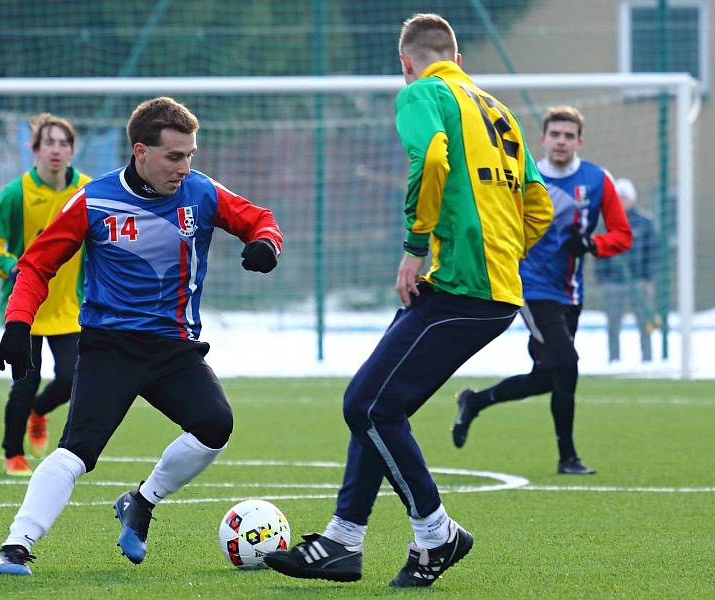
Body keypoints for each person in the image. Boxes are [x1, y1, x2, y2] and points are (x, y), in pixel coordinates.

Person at [264, 13, 553, 588]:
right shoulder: (498, 110)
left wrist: (415, 248)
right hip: (493, 287)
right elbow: (539, 204)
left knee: (365, 406)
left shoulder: (424, 92)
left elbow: (433, 159)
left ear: (405, 62)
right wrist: (497, 249)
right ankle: (343, 540)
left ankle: (436, 532)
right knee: (377, 405)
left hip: (455, 285)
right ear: (459, 59)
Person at [0, 96, 283, 576]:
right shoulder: (93, 200)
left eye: (190, 155)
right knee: (77, 450)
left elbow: (259, 218)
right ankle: (15, 546)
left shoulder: (203, 192)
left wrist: (267, 243)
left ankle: (141, 502)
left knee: (215, 425)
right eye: (174, 156)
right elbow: (36, 264)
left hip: (175, 349)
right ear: (140, 152)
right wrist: (19, 322)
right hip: (111, 347)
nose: (184, 167)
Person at [451, 105, 633, 475]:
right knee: (567, 363)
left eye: (569, 136)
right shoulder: (521, 176)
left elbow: (622, 235)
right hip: (530, 289)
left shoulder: (598, 180)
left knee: (547, 378)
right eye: (555, 135)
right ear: (543, 139)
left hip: (571, 293)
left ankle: (475, 401)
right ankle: (568, 458)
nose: (562, 141)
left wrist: (593, 245)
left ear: (579, 141)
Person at [0, 113, 91, 477]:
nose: (56, 150)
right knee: (24, 382)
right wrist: (13, 267)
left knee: (74, 379)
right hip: (26, 308)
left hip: (70, 308)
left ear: (72, 150)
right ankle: (14, 453)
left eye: (63, 143)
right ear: (35, 150)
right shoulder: (16, 194)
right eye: (48, 143)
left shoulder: (88, 190)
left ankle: (39, 412)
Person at [594, 178, 658, 362]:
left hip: (638, 281)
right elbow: (599, 251)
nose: (622, 201)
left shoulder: (645, 223)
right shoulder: (605, 223)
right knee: (613, 322)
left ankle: (648, 359)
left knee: (644, 321)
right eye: (618, 197)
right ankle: (614, 359)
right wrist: (602, 277)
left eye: (625, 197)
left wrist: (648, 277)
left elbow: (652, 251)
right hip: (613, 282)